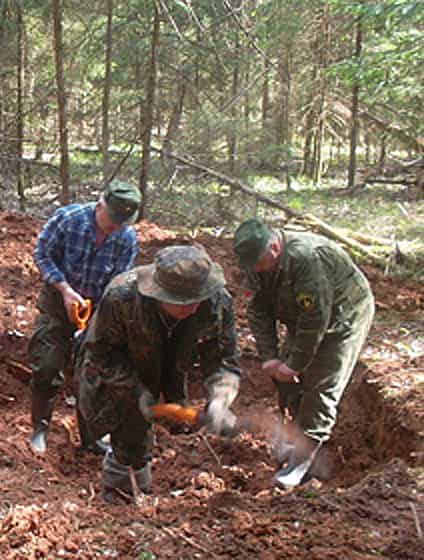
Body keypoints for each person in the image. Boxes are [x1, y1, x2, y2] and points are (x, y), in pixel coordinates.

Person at [77, 245, 241, 502]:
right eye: (185, 302)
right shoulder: (122, 298)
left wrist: (220, 400)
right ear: (159, 293)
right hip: (125, 367)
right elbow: (100, 354)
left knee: (161, 417)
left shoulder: (217, 303)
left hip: (175, 363)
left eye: (199, 298)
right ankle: (119, 499)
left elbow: (223, 358)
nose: (195, 307)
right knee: (130, 432)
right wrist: (137, 391)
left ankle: (139, 496)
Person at [233, 219, 374, 488]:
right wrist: (271, 357)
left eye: (261, 264)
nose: (257, 270)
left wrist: (296, 363)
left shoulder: (307, 259)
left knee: (321, 385)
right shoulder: (255, 258)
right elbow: (258, 310)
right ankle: (298, 438)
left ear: (275, 246)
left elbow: (316, 319)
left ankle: (304, 460)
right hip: (301, 315)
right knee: (288, 381)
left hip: (341, 319)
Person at [28, 180, 142, 454]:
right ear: (100, 205)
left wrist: (99, 320)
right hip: (57, 304)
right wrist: (65, 290)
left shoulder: (126, 239)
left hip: (97, 313)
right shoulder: (68, 220)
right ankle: (39, 430)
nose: (115, 226)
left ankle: (91, 438)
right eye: (112, 219)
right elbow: (42, 255)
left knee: (92, 375)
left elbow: (119, 284)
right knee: (47, 365)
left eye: (121, 222)